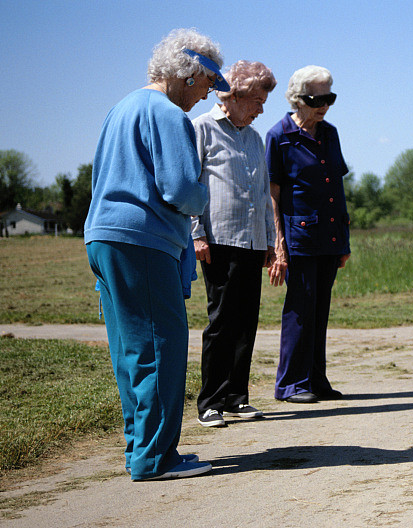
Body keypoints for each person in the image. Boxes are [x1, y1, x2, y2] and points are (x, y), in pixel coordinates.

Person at [84, 28, 230, 480]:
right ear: (191, 74)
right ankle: (156, 458)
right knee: (160, 347)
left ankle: (140, 450)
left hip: (104, 237)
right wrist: (205, 195)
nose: (209, 94)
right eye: (210, 83)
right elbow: (182, 188)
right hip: (143, 241)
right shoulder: (168, 113)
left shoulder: (121, 107)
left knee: (131, 349)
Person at [192, 60, 278, 427]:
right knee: (222, 321)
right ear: (236, 95)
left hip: (252, 241)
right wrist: (195, 233)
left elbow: (262, 192)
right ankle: (210, 401)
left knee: (246, 321)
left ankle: (236, 397)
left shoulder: (255, 138)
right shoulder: (202, 128)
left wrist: (271, 242)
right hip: (218, 238)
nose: (261, 109)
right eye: (257, 100)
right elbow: (190, 183)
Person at [266, 65, 350, 403]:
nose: (324, 104)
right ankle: (290, 384)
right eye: (318, 98)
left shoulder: (330, 133)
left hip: (329, 235)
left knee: (321, 309)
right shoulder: (279, 135)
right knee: (300, 309)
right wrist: (278, 243)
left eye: (329, 97)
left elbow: (338, 187)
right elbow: (272, 192)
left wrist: (344, 238)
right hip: (298, 235)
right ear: (298, 98)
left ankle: (316, 380)